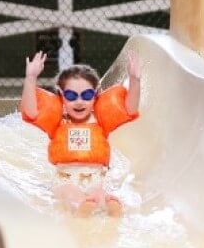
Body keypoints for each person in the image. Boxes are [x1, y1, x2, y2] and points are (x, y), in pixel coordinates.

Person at [19, 51, 141, 217]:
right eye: (71, 96)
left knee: (99, 193)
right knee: (70, 194)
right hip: (65, 178)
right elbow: (30, 111)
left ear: (96, 95)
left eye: (86, 95)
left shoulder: (101, 120)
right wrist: (30, 78)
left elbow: (130, 108)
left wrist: (135, 80)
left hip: (95, 177)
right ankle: (80, 207)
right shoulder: (58, 121)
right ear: (61, 96)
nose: (79, 101)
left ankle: (107, 204)